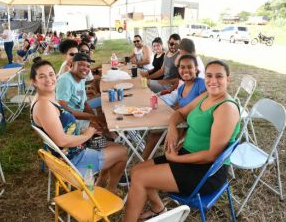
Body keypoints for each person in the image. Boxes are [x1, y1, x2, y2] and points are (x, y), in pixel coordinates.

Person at [124, 60, 241, 221]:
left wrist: (176, 158)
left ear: (228, 79)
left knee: (140, 177)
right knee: (135, 170)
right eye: (209, 76)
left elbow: (211, 155)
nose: (213, 81)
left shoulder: (226, 108)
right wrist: (172, 128)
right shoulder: (206, 95)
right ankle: (159, 208)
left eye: (219, 76)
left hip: (206, 172)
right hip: (188, 157)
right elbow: (179, 113)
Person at [30, 58, 127, 194]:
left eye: (51, 74)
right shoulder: (44, 105)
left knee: (109, 144)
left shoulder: (44, 99)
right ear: (33, 81)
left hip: (69, 152)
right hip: (73, 160)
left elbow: (60, 127)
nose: (48, 79)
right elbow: (61, 140)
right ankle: (111, 190)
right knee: (122, 152)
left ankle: (99, 184)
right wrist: (86, 135)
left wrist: (85, 131)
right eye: (42, 76)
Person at [141, 53, 206, 160]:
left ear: (196, 69)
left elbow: (204, 108)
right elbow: (178, 107)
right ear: (178, 70)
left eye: (190, 67)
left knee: (155, 137)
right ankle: (142, 165)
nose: (186, 70)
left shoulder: (201, 84)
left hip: (192, 128)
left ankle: (148, 164)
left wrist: (181, 132)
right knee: (153, 135)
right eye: (182, 67)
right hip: (181, 124)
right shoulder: (181, 88)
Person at [56, 52, 100, 133]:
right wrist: (91, 117)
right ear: (72, 64)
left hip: (79, 115)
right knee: (101, 129)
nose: (85, 68)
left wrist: (94, 117)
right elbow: (63, 109)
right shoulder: (65, 80)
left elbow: (85, 103)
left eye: (88, 66)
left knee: (103, 118)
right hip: (69, 121)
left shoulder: (81, 79)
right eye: (81, 65)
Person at [160, 38, 205, 107]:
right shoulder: (187, 60)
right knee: (157, 98)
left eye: (182, 53)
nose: (180, 55)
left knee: (159, 102)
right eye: (180, 53)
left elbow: (196, 96)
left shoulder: (198, 68)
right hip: (179, 91)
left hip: (184, 95)